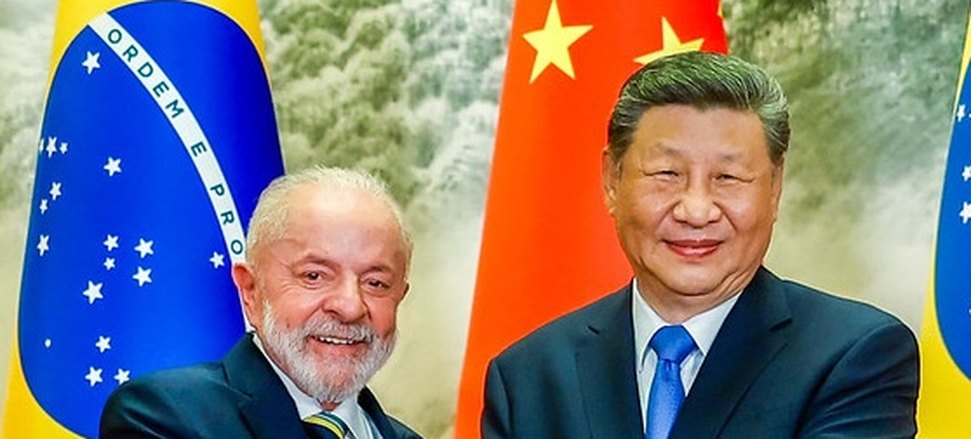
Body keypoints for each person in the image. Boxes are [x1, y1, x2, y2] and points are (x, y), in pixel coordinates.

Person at [482, 51, 919, 438]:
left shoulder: (855, 357)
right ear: (612, 180)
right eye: (667, 174)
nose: (695, 210)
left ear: (774, 188)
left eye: (728, 177)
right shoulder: (529, 377)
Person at [100, 166, 421, 439]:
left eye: (376, 283)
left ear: (399, 298)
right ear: (250, 290)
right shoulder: (162, 414)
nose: (350, 307)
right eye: (314, 276)